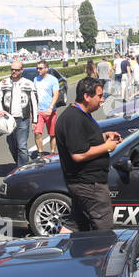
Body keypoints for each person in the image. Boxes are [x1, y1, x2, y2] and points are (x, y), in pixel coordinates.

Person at [55, 77, 122, 232]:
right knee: (104, 228)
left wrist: (104, 137)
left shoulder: (82, 114)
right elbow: (78, 154)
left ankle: (63, 251)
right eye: (99, 96)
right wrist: (106, 147)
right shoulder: (73, 118)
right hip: (88, 185)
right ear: (86, 96)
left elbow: (83, 141)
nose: (102, 99)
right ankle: (101, 254)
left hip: (84, 184)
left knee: (76, 223)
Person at [0, 59, 36, 168]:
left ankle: (23, 169)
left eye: (17, 70)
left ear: (21, 70)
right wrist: (0, 110)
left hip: (23, 119)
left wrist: (35, 121)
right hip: (8, 120)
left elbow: (34, 103)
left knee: (22, 146)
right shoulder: (3, 83)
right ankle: (19, 163)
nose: (14, 72)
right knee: (12, 145)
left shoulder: (29, 84)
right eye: (12, 69)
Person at [32, 60, 61, 158]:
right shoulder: (35, 79)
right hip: (39, 112)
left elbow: (56, 94)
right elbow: (33, 96)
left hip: (51, 111)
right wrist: (32, 111)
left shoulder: (53, 80)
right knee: (37, 133)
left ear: (46, 69)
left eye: (40, 68)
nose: (38, 70)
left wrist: (51, 107)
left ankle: (52, 152)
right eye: (37, 68)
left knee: (52, 134)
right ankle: (40, 153)